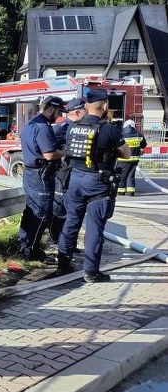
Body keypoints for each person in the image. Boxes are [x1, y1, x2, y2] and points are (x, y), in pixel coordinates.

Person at [56, 87, 131, 282]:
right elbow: (126, 154)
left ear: (86, 106)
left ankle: (63, 264)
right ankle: (91, 272)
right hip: (97, 182)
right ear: (105, 105)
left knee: (72, 220)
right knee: (95, 228)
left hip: (74, 180)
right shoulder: (109, 129)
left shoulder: (73, 127)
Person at [16, 96, 66, 263]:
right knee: (41, 214)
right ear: (51, 109)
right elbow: (49, 154)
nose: (59, 116)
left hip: (31, 174)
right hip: (41, 175)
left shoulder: (31, 124)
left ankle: (23, 246)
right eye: (58, 112)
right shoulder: (43, 127)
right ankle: (32, 251)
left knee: (31, 211)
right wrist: (65, 153)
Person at [50, 97, 88, 246]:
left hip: (76, 174)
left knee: (74, 211)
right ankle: (56, 240)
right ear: (78, 111)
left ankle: (67, 242)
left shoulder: (82, 126)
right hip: (63, 175)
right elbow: (47, 149)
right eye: (86, 109)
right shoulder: (62, 128)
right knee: (59, 209)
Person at [116, 119, 147, 196]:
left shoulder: (121, 134)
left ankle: (120, 191)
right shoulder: (139, 134)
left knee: (122, 175)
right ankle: (131, 191)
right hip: (135, 159)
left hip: (123, 159)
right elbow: (143, 145)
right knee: (131, 175)